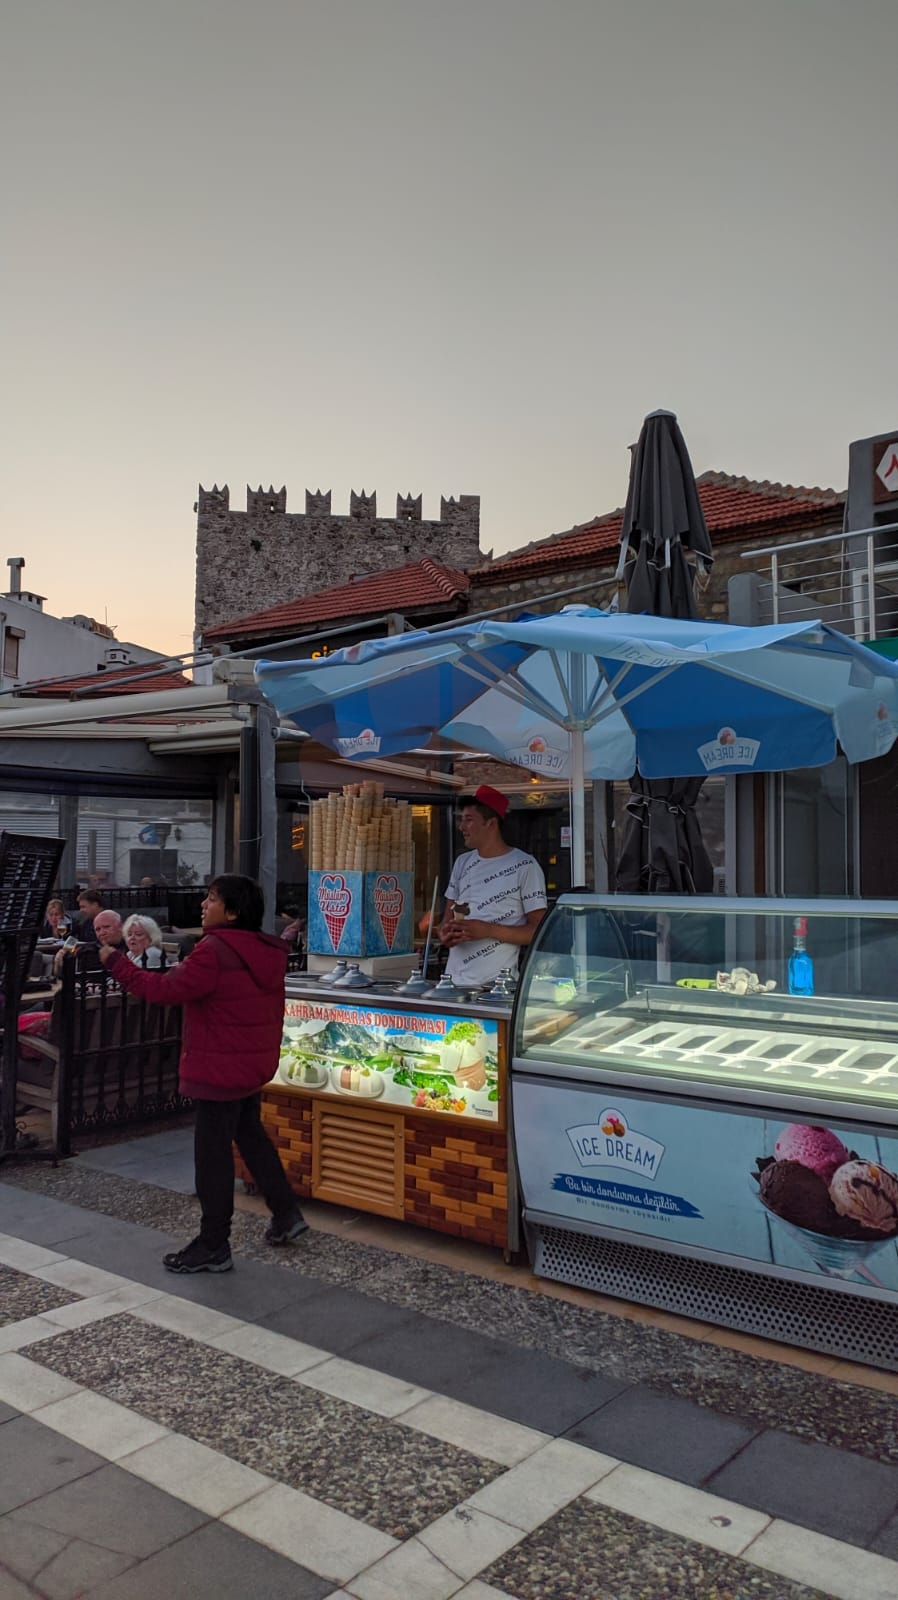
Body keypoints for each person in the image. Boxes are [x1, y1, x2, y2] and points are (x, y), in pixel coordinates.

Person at [98, 873, 307, 1274]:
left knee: (212, 1157)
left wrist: (116, 963)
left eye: (211, 899)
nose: (202, 905)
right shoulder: (266, 950)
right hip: (247, 1064)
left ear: (231, 911)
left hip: (217, 1068)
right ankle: (285, 1213)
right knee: (251, 1137)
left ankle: (214, 1243)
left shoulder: (214, 950)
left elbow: (163, 991)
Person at [439, 785, 547, 988]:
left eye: (469, 819)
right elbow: (447, 919)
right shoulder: (462, 862)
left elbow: (538, 931)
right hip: (452, 983)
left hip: (496, 987)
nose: (461, 827)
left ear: (491, 823)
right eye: (461, 819)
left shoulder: (525, 866)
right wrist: (446, 933)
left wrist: (487, 929)